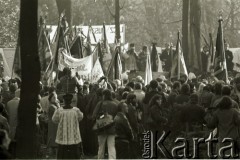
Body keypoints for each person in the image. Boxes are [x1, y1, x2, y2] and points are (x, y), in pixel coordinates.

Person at [52, 93, 83, 159]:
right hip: (73, 134)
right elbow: (81, 117)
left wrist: (61, 122)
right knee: (74, 152)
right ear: (71, 101)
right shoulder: (76, 110)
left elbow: (54, 119)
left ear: (64, 101)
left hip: (63, 134)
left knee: (62, 152)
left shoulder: (59, 110)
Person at [92, 89, 118, 159]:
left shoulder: (100, 103)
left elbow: (94, 115)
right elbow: (117, 116)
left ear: (104, 95)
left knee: (101, 147)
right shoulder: (115, 104)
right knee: (111, 146)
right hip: (112, 128)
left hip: (101, 128)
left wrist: (102, 116)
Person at [47, 92, 60, 157]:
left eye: (56, 97)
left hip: (54, 123)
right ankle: (52, 151)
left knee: (53, 136)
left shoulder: (53, 105)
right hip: (53, 124)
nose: (55, 99)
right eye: (54, 97)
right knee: (53, 136)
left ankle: (53, 151)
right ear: (50, 98)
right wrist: (58, 105)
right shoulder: (52, 106)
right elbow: (58, 113)